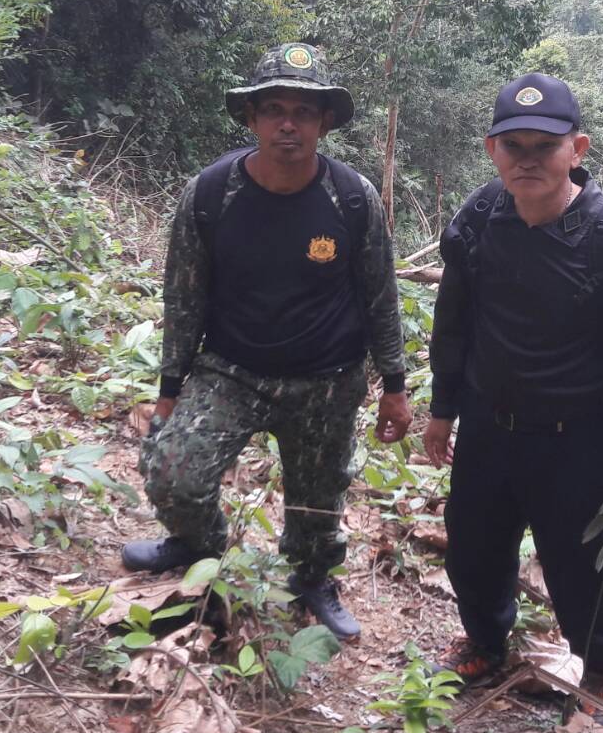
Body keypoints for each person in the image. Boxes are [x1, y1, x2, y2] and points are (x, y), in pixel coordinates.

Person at [423, 73, 603, 733]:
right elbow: (454, 321)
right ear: (492, 150)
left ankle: (600, 676)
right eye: (513, 146)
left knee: (587, 570)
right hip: (488, 429)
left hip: (580, 440)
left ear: (578, 148)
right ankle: (485, 644)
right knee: (474, 549)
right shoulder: (479, 219)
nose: (528, 160)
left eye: (545, 146)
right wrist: (443, 408)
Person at [121, 43, 412, 642]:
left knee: (318, 504)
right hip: (231, 371)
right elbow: (184, 297)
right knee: (173, 475)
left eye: (303, 112)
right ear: (252, 117)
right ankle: (199, 547)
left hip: (327, 380)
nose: (288, 124)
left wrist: (395, 385)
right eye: (274, 109)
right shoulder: (211, 193)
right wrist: (170, 388)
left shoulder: (351, 197)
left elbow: (380, 296)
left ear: (324, 122)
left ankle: (312, 578)